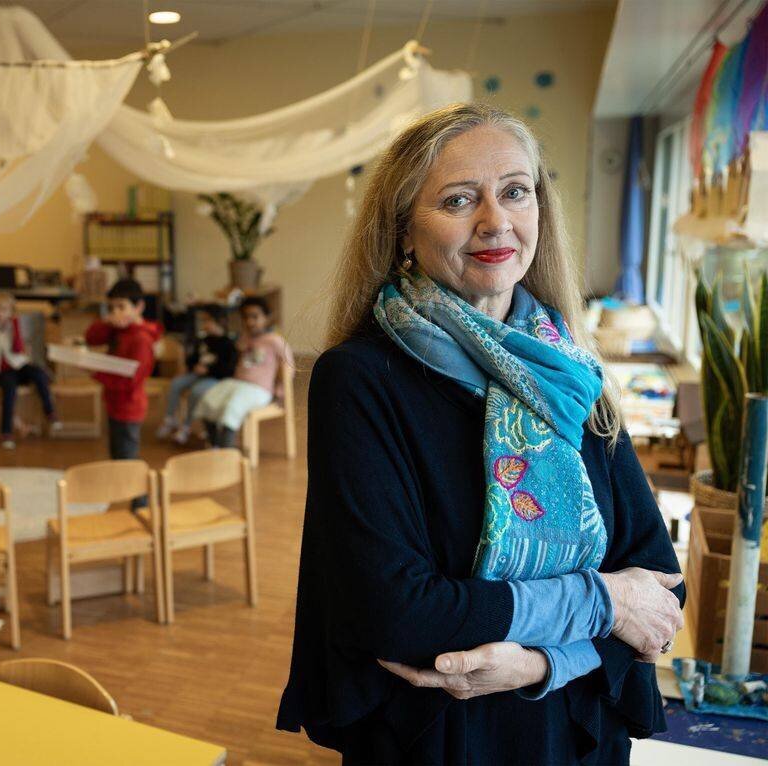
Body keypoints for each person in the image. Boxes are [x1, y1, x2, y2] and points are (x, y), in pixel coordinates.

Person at [276, 103, 685, 765]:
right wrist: (604, 600)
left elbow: (662, 585)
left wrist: (537, 665)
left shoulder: (570, 371)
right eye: (459, 199)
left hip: (579, 728)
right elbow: (396, 611)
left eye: (515, 191)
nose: (495, 221)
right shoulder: (360, 380)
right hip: (440, 738)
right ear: (404, 231)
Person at [85, 279, 163, 506]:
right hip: (115, 402)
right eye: (112, 307)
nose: (116, 312)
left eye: (122, 306)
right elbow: (91, 338)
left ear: (138, 307)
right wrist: (108, 322)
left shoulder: (141, 339)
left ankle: (142, 506)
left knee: (128, 461)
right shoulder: (119, 330)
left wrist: (95, 373)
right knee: (120, 457)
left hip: (129, 405)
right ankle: (139, 501)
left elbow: (130, 381)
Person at [194, 297, 293, 449]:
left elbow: (289, 366)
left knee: (232, 408)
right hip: (237, 383)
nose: (250, 322)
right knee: (209, 400)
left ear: (267, 318)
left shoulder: (275, 340)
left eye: (255, 317)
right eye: (246, 317)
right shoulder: (244, 338)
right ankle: (215, 446)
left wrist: (280, 392)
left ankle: (227, 454)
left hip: (259, 389)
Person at [0, 292, 59, 449]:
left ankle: (50, 412)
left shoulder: (13, 325)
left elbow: (18, 349)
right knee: (9, 390)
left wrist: (15, 326)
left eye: (4, 310)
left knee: (39, 374)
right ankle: (6, 432)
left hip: (19, 365)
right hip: (2, 371)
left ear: (10, 312)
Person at [156, 305, 237, 445]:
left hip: (215, 378)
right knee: (176, 383)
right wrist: (194, 366)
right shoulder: (203, 340)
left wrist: (208, 371)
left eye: (208, 321)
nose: (204, 324)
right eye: (203, 321)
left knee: (196, 391)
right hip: (197, 374)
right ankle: (170, 418)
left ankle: (186, 426)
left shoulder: (228, 344)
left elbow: (228, 369)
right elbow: (191, 359)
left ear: (220, 322)